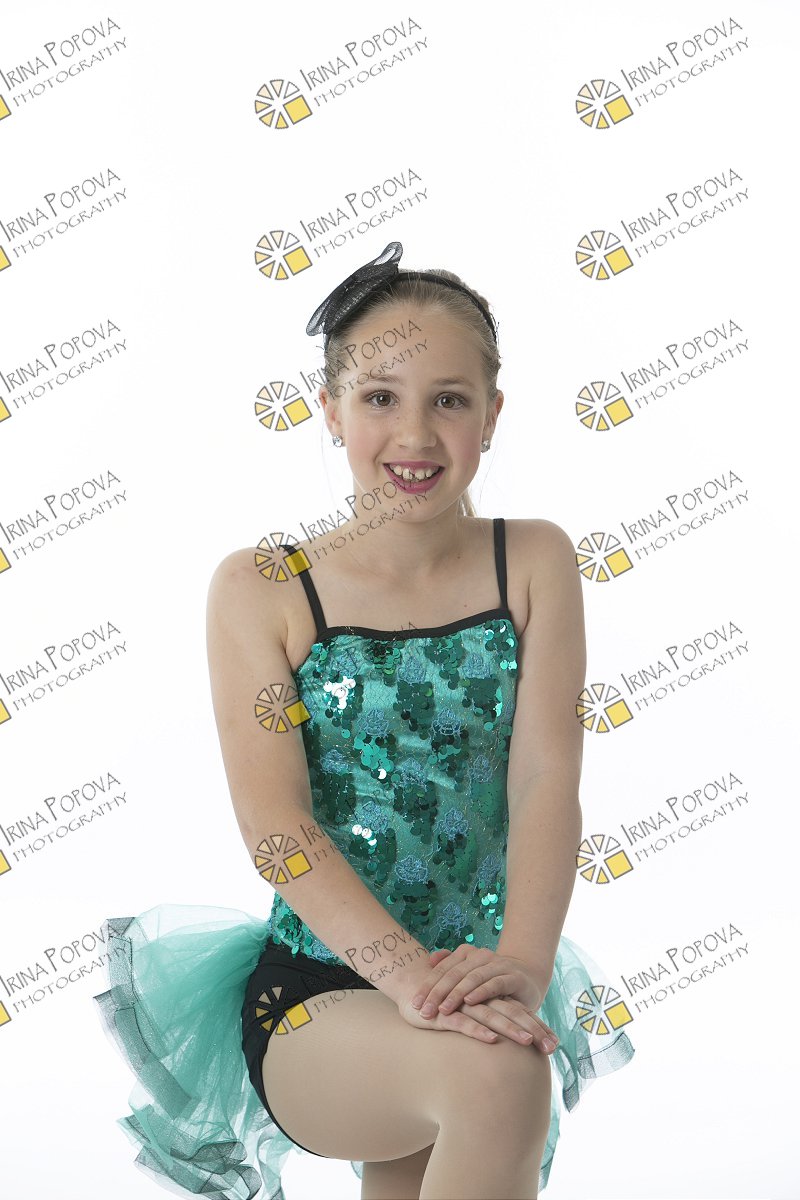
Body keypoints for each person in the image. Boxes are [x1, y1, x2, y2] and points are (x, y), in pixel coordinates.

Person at [93, 241, 635, 1200]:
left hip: (479, 972)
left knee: (476, 1099)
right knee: (501, 1079)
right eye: (381, 397)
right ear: (331, 409)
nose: (414, 434)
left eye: (450, 400)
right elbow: (277, 825)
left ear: (492, 415)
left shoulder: (535, 562)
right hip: (318, 994)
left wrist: (521, 964)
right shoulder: (264, 587)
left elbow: (546, 777)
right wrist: (407, 978)